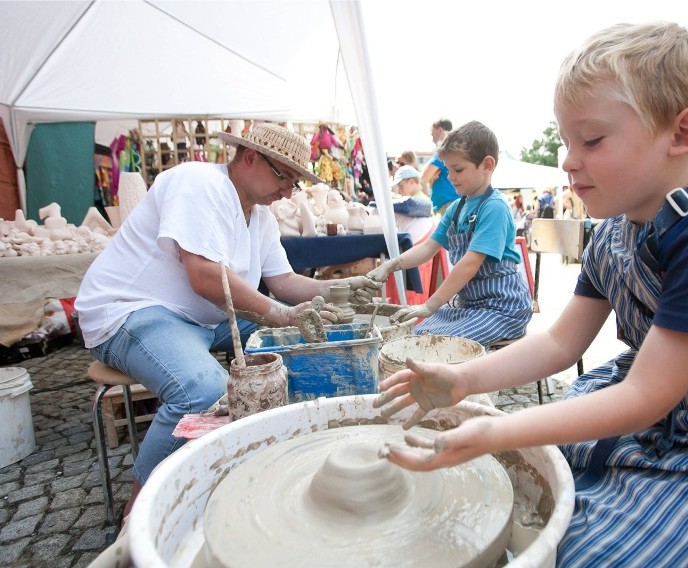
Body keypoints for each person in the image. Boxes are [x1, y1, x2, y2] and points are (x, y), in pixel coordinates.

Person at [373, 22, 688, 566]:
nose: (568, 160)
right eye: (567, 141)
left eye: (591, 140)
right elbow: (560, 346)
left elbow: (644, 396)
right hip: (670, 396)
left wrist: (496, 430)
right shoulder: (616, 233)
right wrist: (463, 381)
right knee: (539, 464)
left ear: (683, 135)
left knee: (586, 551)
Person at [75, 123, 378, 519]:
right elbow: (204, 275)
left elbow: (283, 282)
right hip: (131, 310)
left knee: (297, 335)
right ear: (250, 157)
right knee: (202, 391)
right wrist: (277, 313)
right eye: (284, 176)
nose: (288, 192)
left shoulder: (262, 216)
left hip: (206, 318)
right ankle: (140, 516)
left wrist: (346, 288)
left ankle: (284, 454)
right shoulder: (198, 184)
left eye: (295, 184)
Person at [366, 121, 533, 348]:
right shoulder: (456, 209)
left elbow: (470, 263)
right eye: (447, 169)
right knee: (417, 335)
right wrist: (391, 265)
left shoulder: (494, 208)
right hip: (469, 305)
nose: (451, 176)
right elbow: (427, 248)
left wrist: (430, 305)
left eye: (458, 169)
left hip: (502, 308)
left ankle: (458, 382)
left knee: (444, 344)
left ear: (487, 164)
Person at [420, 118, 459, 215]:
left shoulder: (444, 150)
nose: (431, 137)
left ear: (440, 130)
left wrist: (431, 177)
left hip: (447, 204)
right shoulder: (454, 148)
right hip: (451, 203)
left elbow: (424, 176)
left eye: (432, 133)